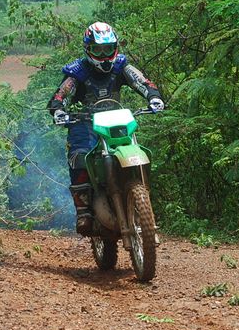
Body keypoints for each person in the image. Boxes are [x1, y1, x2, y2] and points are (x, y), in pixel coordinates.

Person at [48, 22, 164, 236]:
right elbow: (60, 95)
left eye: (108, 49)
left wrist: (154, 97)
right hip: (84, 122)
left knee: (138, 150)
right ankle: (83, 210)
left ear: (115, 48)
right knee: (80, 156)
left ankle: (142, 197)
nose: (104, 56)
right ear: (88, 49)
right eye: (98, 50)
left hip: (116, 119)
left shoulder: (121, 66)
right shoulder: (77, 72)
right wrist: (58, 111)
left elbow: (143, 82)